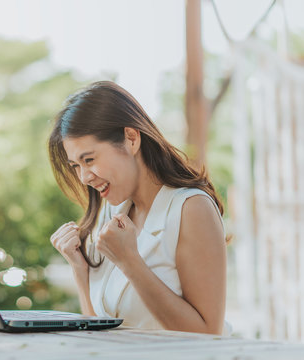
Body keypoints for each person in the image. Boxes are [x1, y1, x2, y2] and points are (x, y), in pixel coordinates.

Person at [48, 81, 229, 335]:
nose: (84, 177)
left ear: (131, 139)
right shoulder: (112, 213)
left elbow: (208, 333)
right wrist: (80, 269)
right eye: (75, 165)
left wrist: (130, 261)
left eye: (89, 160)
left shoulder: (191, 208)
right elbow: (97, 332)